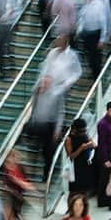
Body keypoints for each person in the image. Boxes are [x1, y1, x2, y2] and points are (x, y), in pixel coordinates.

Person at [30, 36, 82, 179]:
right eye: (44, 81)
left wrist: (58, 130)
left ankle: (47, 175)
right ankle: (36, 169)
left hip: (51, 124)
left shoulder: (55, 94)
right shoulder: (38, 92)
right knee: (37, 147)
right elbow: (34, 104)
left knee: (48, 151)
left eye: (47, 81)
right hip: (39, 123)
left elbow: (60, 112)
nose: (45, 83)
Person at [78, 0, 110, 79]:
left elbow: (103, 21)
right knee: (88, 55)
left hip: (96, 33)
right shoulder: (86, 3)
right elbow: (82, 17)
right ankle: (93, 72)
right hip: (87, 33)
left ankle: (97, 75)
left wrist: (102, 39)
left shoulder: (99, 4)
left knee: (95, 56)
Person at [0, 0, 21, 78]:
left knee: (9, 45)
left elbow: (17, 12)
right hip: (0, 26)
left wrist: (8, 16)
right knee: (0, 48)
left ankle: (11, 62)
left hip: (9, 25)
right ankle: (2, 71)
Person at [96, 102, 111, 208]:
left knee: (110, 178)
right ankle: (102, 200)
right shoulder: (103, 124)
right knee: (104, 179)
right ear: (107, 110)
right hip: (106, 154)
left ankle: (107, 200)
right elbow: (102, 143)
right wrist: (105, 159)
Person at [65, 118, 96, 196]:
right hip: (75, 168)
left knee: (85, 190)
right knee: (73, 192)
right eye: (82, 131)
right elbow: (70, 157)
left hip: (85, 165)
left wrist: (91, 144)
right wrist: (81, 148)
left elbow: (94, 145)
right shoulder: (69, 139)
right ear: (75, 130)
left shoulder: (85, 134)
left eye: (85, 130)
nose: (84, 132)